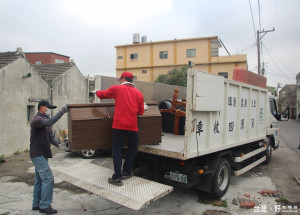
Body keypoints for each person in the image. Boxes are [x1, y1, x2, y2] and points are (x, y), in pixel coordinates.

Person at [94, 72, 144, 186]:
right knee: (132, 149)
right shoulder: (139, 93)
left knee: (117, 150)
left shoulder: (117, 89)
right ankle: (127, 171)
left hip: (119, 125)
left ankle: (117, 177)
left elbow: (102, 95)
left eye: (120, 79)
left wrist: (96, 92)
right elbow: (140, 111)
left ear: (123, 79)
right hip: (132, 126)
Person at [30, 100, 68, 214]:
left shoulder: (45, 121)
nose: (49, 110)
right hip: (37, 154)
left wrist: (60, 145)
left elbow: (51, 137)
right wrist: (61, 112)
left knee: (40, 180)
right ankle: (44, 206)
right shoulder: (37, 120)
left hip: (42, 154)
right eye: (48, 108)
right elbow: (49, 122)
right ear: (42, 107)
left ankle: (36, 204)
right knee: (48, 178)